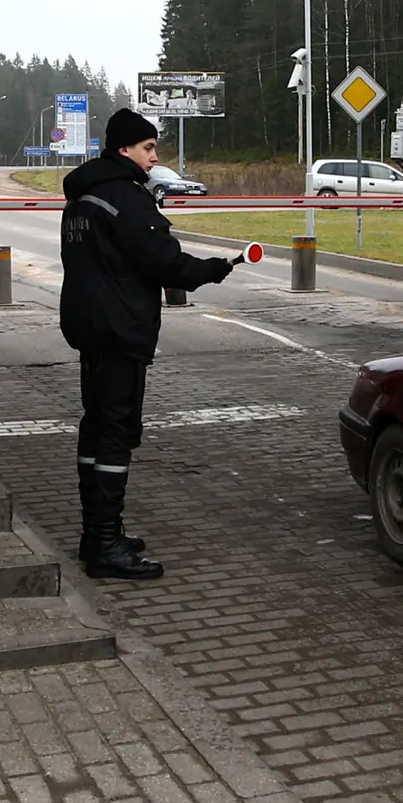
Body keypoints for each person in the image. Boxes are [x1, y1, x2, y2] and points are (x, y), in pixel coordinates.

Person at [60, 107, 236, 579]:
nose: (155, 158)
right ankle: (104, 546)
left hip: (90, 329)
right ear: (125, 149)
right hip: (120, 330)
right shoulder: (125, 197)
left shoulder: (81, 198)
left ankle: (97, 533)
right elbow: (164, 262)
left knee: (96, 427)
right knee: (116, 433)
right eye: (148, 148)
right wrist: (214, 268)